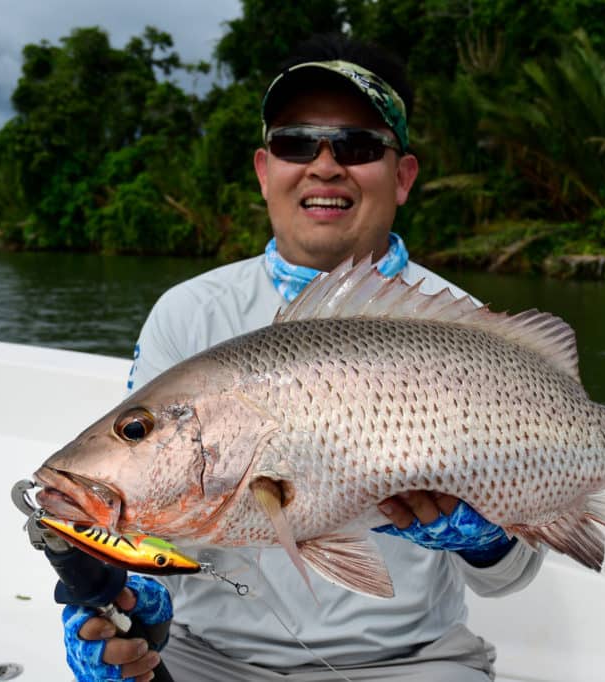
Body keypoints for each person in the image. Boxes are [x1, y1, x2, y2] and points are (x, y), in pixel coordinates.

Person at [60, 34, 544, 682]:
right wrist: (126, 594)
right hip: (211, 659)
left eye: (358, 146)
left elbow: (513, 576)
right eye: (296, 143)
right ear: (264, 169)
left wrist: (489, 537)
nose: (324, 165)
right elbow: (151, 506)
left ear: (402, 176)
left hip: (412, 662)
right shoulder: (189, 315)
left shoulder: (467, 328)